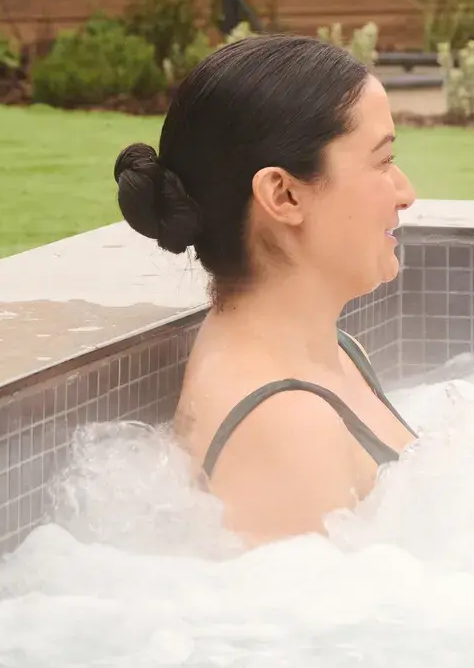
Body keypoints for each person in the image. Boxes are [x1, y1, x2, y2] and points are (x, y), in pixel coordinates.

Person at [113, 34, 417, 542]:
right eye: (382, 162)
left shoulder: (337, 354)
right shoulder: (285, 426)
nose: (405, 192)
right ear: (284, 195)